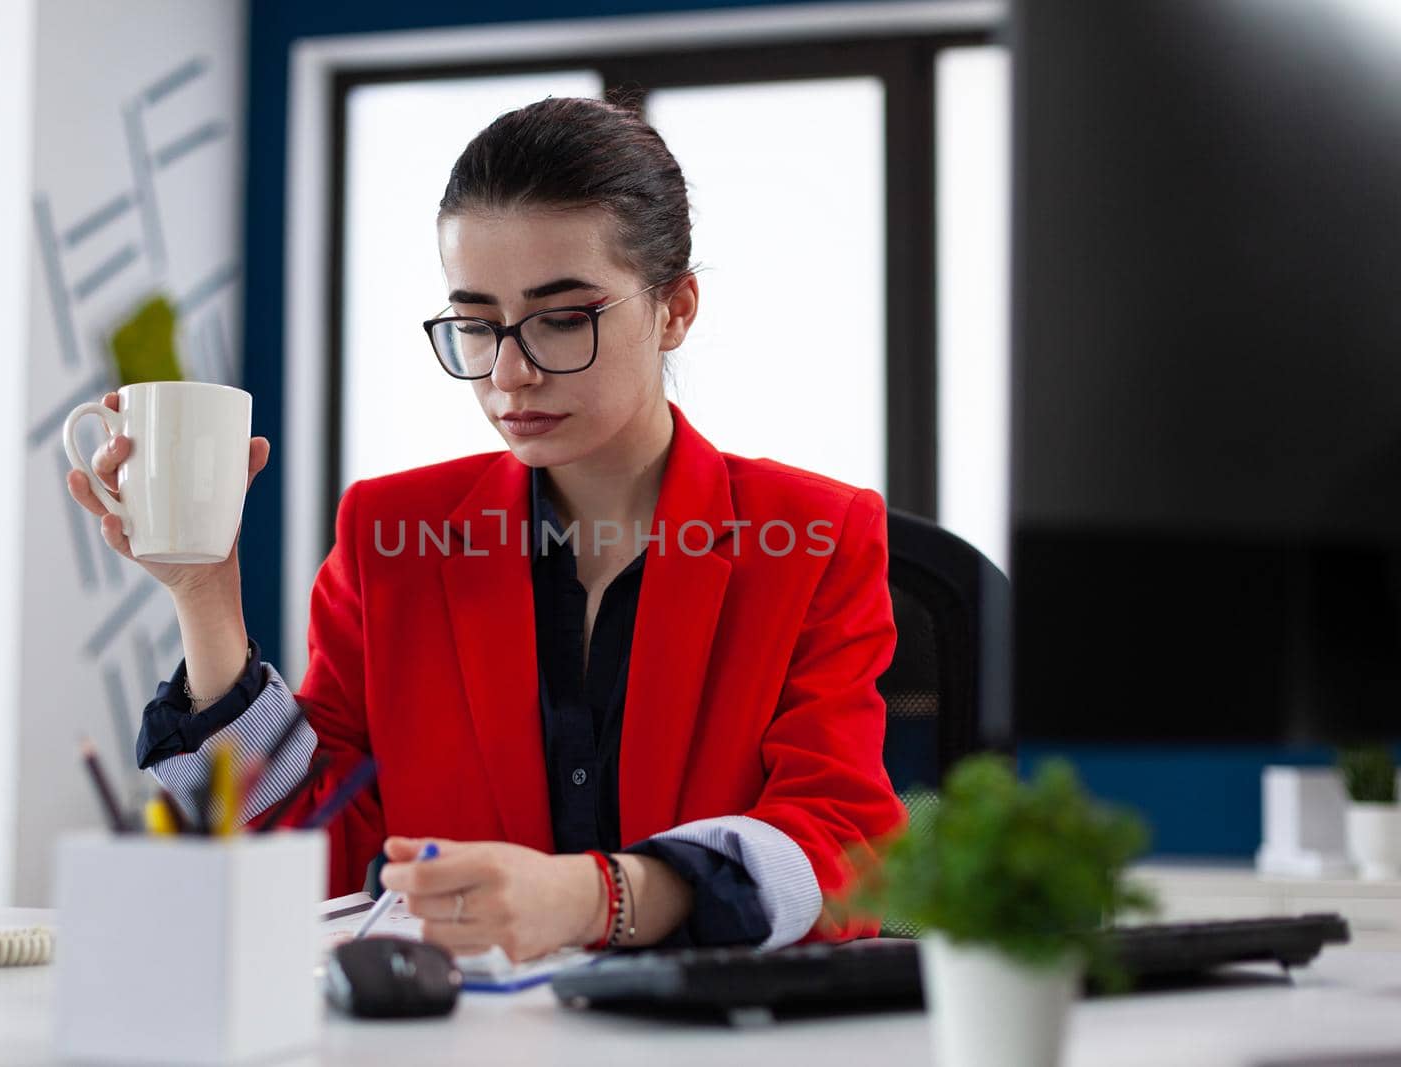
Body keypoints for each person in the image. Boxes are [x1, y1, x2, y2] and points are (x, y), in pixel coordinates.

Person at [64, 95, 904, 961]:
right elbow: (317, 851)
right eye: (476, 324)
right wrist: (206, 594)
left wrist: (597, 896)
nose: (509, 373)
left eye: (562, 318)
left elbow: (846, 844)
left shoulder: (816, 536)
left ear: (675, 309)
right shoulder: (389, 535)